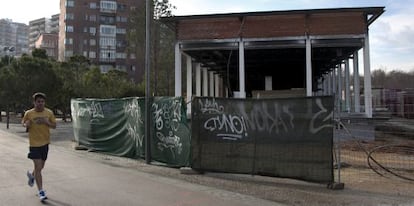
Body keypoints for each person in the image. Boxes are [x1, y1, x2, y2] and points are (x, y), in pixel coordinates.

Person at [22, 92, 56, 201]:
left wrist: (47, 122)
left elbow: (54, 126)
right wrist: (26, 124)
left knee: (40, 167)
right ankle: (41, 191)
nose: (40, 104)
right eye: (38, 102)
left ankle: (32, 176)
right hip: (34, 144)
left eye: (42, 102)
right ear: (34, 102)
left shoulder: (49, 113)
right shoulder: (29, 113)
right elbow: (24, 123)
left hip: (45, 143)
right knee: (38, 167)